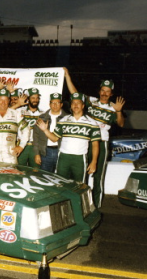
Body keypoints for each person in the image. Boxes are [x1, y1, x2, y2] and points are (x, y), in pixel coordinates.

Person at [64, 68, 126, 207]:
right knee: (82, 174)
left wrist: (119, 111)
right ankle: (82, 204)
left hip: (102, 143)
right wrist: (67, 75)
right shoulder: (91, 101)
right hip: (85, 142)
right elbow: (74, 93)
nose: (104, 93)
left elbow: (121, 124)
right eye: (102, 90)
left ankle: (96, 206)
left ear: (111, 93)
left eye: (107, 91)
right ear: (99, 91)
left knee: (98, 176)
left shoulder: (113, 107)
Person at [37, 92, 101, 182]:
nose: (75, 105)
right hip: (63, 157)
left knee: (79, 185)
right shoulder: (64, 120)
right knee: (60, 183)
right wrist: (45, 130)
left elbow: (95, 144)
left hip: (80, 158)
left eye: (78, 103)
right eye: (73, 103)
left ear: (83, 105)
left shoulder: (92, 123)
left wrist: (94, 162)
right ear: (70, 105)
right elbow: (54, 138)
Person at [33, 93, 67, 172]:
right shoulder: (42, 117)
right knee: (45, 177)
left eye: (57, 103)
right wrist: (37, 154)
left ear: (61, 104)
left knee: (60, 178)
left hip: (61, 152)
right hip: (45, 152)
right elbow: (36, 137)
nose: (55, 105)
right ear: (49, 104)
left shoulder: (67, 118)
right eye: (53, 103)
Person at [14, 88, 43, 168]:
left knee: (35, 172)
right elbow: (8, 111)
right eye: (33, 98)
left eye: (37, 98)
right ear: (28, 98)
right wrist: (18, 104)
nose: (35, 100)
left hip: (35, 147)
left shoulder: (43, 114)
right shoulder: (20, 111)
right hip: (21, 146)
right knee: (18, 170)